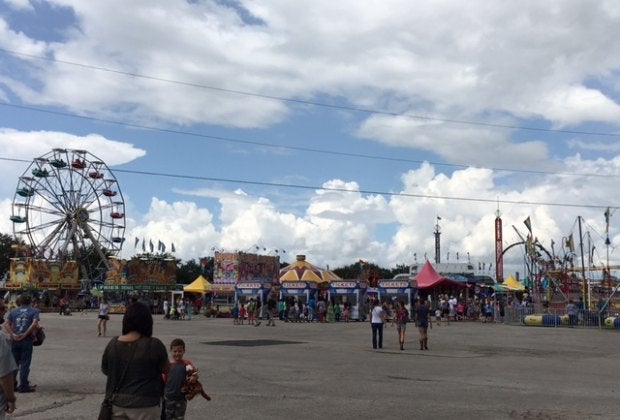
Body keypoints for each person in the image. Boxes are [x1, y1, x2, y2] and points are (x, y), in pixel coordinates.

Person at [101, 302, 169, 418]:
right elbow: (166, 369)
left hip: (117, 404)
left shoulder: (112, 344)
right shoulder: (154, 345)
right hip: (146, 405)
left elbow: (106, 370)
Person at [7, 294, 39, 393]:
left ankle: (12, 385)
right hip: (26, 340)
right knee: (25, 363)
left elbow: (6, 324)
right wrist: (25, 334)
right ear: (30, 301)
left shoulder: (13, 311)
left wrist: (12, 334)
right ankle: (23, 386)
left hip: (15, 340)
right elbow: (35, 323)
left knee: (14, 363)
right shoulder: (34, 311)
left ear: (19, 301)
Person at [163, 338, 199, 420]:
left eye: (180, 351)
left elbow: (195, 374)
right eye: (175, 351)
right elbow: (164, 380)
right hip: (168, 398)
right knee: (167, 417)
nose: (177, 353)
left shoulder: (187, 364)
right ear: (171, 351)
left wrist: (193, 377)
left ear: (184, 351)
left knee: (179, 417)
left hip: (181, 398)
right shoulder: (168, 365)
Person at [0, 300, 17, 418]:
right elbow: (4, 375)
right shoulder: (1, 339)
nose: (5, 311)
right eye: (2, 308)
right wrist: (11, 398)